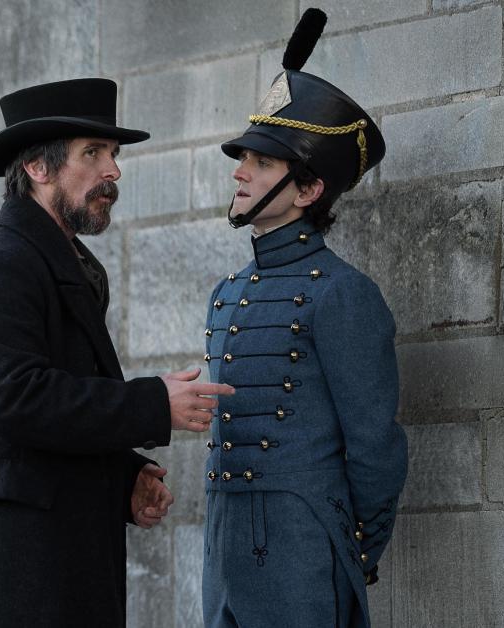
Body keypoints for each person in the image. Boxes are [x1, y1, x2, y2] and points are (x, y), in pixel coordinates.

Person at [0, 77, 235, 628]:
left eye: (114, 154)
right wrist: (151, 404)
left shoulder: (67, 263)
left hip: (52, 559)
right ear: (38, 167)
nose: (113, 171)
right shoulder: (0, 261)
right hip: (14, 569)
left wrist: (121, 475)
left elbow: (47, 417)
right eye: (93, 153)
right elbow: (12, 400)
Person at [200, 9, 408, 628]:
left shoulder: (342, 293)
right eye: (244, 159)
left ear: (309, 190)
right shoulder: (226, 292)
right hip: (223, 546)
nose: (240, 171)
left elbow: (376, 446)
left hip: (302, 548)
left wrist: (349, 549)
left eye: (261, 164)